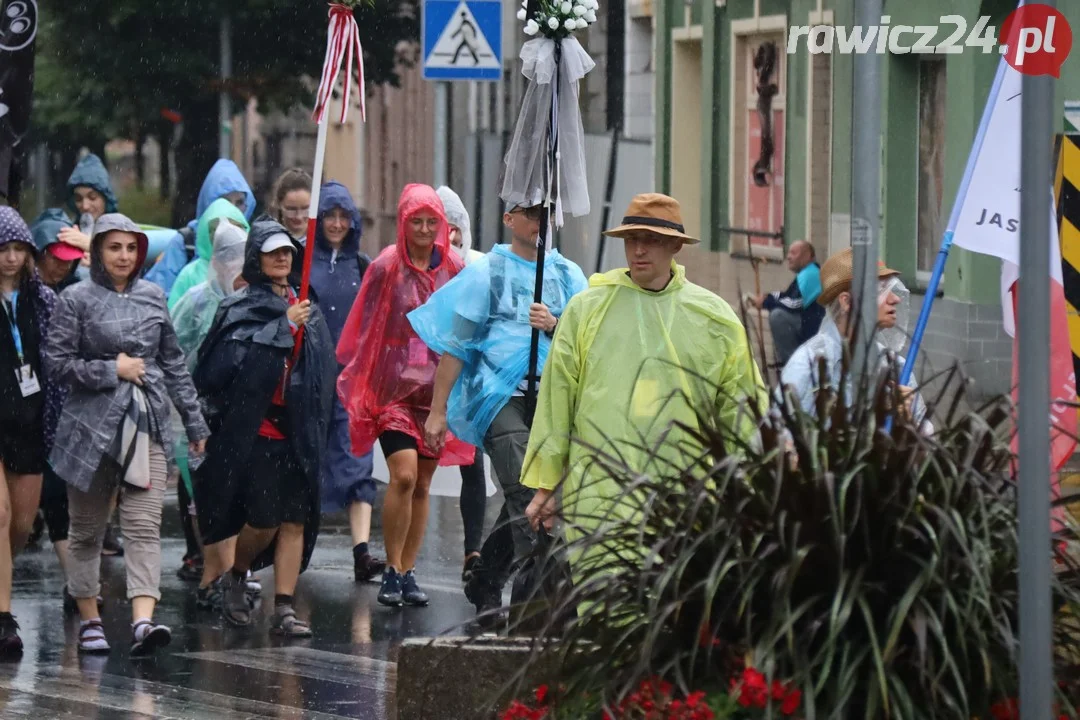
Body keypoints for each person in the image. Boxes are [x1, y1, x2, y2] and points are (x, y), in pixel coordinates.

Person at [521, 194, 766, 562]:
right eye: (632, 239)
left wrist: (747, 486)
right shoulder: (587, 310)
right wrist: (546, 484)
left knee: (672, 606)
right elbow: (558, 402)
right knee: (603, 602)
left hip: (684, 494)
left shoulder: (714, 319)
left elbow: (741, 409)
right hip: (599, 492)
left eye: (651, 240)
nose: (638, 250)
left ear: (674, 247)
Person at [412, 199, 588, 619]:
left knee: (528, 497)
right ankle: (545, 591)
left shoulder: (568, 275)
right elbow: (458, 344)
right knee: (525, 487)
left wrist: (556, 324)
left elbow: (587, 340)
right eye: (530, 212)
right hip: (499, 396)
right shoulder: (488, 272)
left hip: (554, 396)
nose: (539, 222)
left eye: (546, 214)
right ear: (509, 218)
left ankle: (488, 577)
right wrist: (437, 411)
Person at [45, 214, 209, 655]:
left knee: (143, 527)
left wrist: (194, 424)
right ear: (97, 250)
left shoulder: (155, 297)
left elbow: (174, 364)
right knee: (86, 532)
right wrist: (110, 369)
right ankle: (90, 620)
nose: (124, 256)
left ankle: (142, 622)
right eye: (114, 247)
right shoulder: (75, 299)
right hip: (88, 431)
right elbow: (55, 365)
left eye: (132, 248)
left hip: (146, 428)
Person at [192, 220, 335, 637]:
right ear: (256, 258)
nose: (282, 258)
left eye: (288, 251)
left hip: (299, 433)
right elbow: (227, 370)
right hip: (257, 434)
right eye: (273, 252)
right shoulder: (239, 308)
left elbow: (323, 368)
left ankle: (284, 607)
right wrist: (283, 328)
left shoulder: (308, 305)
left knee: (294, 521)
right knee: (265, 520)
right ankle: (237, 572)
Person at [336, 183, 472, 608]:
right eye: (418, 221)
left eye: (433, 222)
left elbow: (463, 330)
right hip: (394, 391)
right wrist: (368, 381)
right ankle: (391, 569)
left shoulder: (454, 269)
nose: (426, 229)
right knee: (405, 475)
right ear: (403, 222)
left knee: (424, 483)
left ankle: (408, 570)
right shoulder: (385, 267)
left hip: (436, 393)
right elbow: (368, 327)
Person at [307, 182, 385, 583]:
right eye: (329, 216)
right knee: (306, 461)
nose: (336, 224)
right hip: (310, 379)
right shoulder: (303, 264)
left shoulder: (363, 267)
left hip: (353, 381)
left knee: (358, 464)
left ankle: (361, 551)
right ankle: (295, 546)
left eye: (343, 216)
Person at [170, 217, 249, 599]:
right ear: (215, 261)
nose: (235, 268)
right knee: (208, 497)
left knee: (235, 495)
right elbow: (173, 354)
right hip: (199, 415)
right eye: (229, 259)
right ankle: (212, 576)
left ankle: (228, 575)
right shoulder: (196, 302)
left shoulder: (253, 300)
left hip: (239, 414)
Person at [29, 208, 102, 613]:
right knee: (45, 503)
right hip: (25, 411)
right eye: (53, 255)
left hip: (72, 409)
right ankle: (78, 585)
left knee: (67, 499)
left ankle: (78, 585)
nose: (61, 265)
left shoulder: (80, 288)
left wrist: (89, 251)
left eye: (67, 258)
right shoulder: (23, 294)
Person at [778, 247, 933, 434]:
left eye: (891, 287)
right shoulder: (809, 365)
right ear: (846, 301)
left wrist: (907, 422)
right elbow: (777, 437)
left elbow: (927, 442)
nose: (894, 299)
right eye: (882, 289)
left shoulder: (896, 368)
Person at [0, 208, 61, 656]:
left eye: (19, 249)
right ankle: (3, 619)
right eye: (3, 249)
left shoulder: (43, 302)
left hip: (30, 424)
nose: (10, 258)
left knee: (21, 524)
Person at [436, 185, 489, 581]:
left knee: (471, 462)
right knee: (415, 470)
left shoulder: (478, 266)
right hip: (426, 381)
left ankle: (473, 550)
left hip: (468, 379)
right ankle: (396, 563)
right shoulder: (415, 267)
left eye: (452, 226)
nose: (447, 235)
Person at [145, 159, 256, 295]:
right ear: (208, 201)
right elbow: (157, 295)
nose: (231, 208)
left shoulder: (252, 242)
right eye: (224, 201)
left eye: (239, 202)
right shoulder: (186, 243)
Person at [747, 240, 824, 366]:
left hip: (811, 328)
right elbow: (787, 295)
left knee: (778, 316)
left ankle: (793, 364)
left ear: (807, 255)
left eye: (793, 253)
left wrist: (767, 302)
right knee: (778, 311)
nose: (788, 257)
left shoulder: (810, 274)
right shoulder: (807, 273)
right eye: (788, 252)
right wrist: (768, 296)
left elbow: (795, 303)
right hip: (805, 323)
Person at [168, 198, 251, 309]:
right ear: (204, 232)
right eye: (215, 228)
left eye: (233, 227)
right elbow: (175, 319)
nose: (223, 232)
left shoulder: (255, 268)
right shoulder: (190, 274)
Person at [55, 154, 119, 267]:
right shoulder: (68, 231)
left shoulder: (121, 230)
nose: (85, 206)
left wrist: (91, 246)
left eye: (92, 197)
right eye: (78, 199)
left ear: (106, 199)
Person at [30, 209, 83, 293]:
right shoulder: (17, 290)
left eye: (69, 260)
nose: (63, 267)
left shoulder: (77, 291)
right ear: (38, 254)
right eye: (56, 258)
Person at [266, 168, 313, 244]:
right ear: (279, 204)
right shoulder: (267, 240)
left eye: (305, 208)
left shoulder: (323, 242)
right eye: (291, 209)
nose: (299, 217)